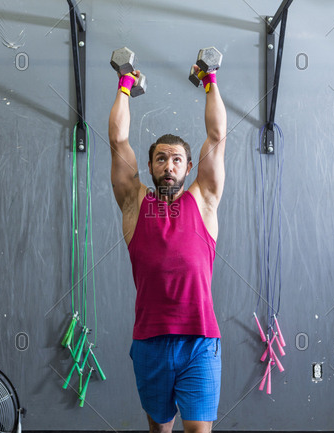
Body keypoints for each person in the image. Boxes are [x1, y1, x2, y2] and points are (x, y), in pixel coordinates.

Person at [108, 61, 227, 433]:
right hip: (150, 342)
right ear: (150, 166)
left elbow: (218, 135)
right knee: (159, 430)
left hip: (199, 342)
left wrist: (210, 81)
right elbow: (116, 141)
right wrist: (125, 84)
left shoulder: (204, 200)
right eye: (161, 159)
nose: (169, 166)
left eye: (177, 160)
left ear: (189, 167)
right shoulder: (134, 204)